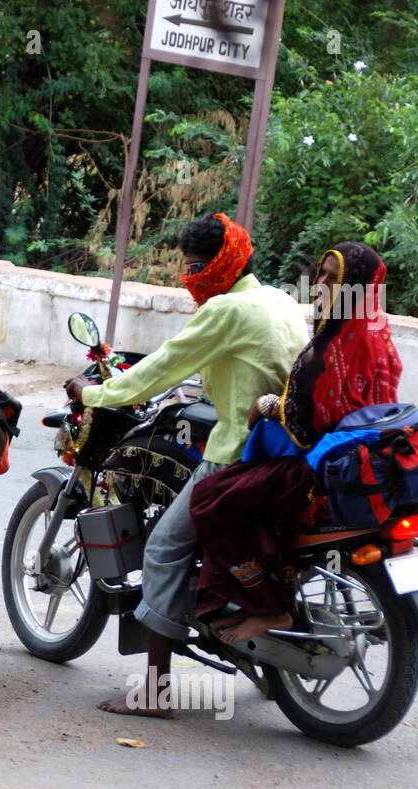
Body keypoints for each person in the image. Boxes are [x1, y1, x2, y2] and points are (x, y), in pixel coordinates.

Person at [66, 213, 308, 718]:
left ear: (221, 264)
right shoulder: (280, 300)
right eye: (188, 265)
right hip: (287, 447)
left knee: (163, 548)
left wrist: (93, 392)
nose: (192, 274)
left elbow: (163, 365)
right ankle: (258, 663)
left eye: (199, 265)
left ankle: (154, 693)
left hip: (235, 451)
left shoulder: (224, 311)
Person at [189, 241, 402, 645]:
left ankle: (269, 607)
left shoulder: (333, 346)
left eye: (332, 278)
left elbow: (306, 426)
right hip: (363, 461)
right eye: (320, 275)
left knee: (208, 500)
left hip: (316, 470)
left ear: (356, 286)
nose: (320, 285)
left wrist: (265, 404)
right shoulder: (380, 334)